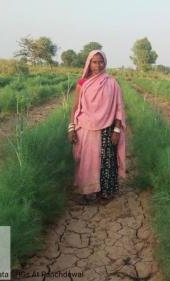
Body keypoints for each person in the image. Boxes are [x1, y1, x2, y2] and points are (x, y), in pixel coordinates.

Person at [68, 50, 126, 205]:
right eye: (94, 62)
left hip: (107, 128)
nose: (97, 65)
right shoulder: (82, 84)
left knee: (105, 161)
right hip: (85, 128)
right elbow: (75, 107)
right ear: (89, 63)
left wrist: (117, 130)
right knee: (86, 162)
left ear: (105, 63)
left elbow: (118, 108)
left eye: (101, 62)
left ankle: (105, 193)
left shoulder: (112, 83)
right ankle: (86, 193)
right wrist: (71, 128)